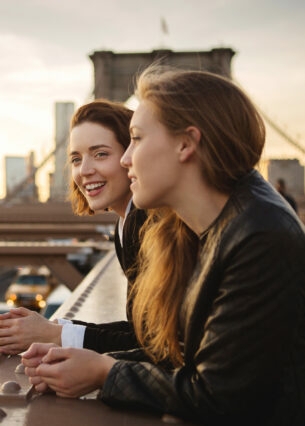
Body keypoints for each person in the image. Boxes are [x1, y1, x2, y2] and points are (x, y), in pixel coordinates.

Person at [22, 66, 305, 425]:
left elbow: (221, 396)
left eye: (136, 139)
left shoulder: (259, 237)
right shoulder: (220, 223)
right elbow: (181, 354)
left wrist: (105, 373)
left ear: (186, 143)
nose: (126, 159)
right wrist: (78, 355)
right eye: (76, 158)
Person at [0, 99, 147, 355]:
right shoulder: (125, 224)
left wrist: (56, 334)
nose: (84, 170)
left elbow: (161, 346)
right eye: (76, 159)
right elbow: (143, 333)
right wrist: (55, 329)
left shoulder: (145, 222)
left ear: (130, 156)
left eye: (101, 153)